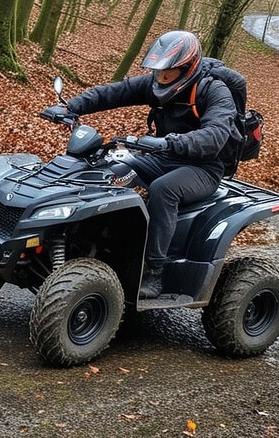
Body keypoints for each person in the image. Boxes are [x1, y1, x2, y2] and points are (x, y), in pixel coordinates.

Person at [64, 30, 241, 299]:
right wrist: (72, 107)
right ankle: (93, 247)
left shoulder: (214, 91)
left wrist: (169, 142)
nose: (161, 78)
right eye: (158, 72)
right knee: (110, 173)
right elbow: (114, 92)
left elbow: (215, 136)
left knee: (164, 190)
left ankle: (154, 273)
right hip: (162, 158)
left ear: (187, 67)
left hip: (203, 168)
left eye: (167, 73)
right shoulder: (156, 84)